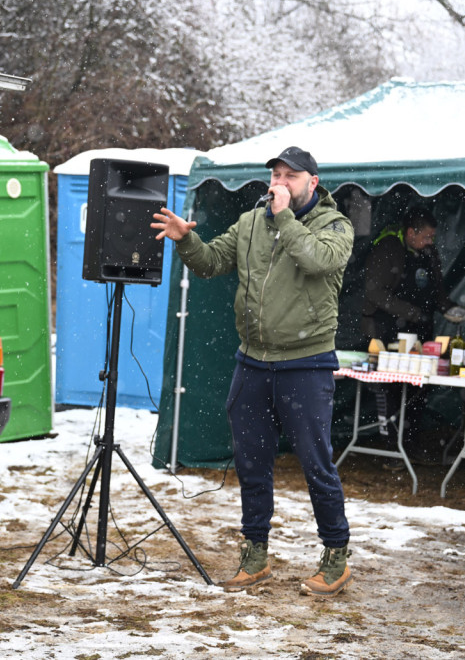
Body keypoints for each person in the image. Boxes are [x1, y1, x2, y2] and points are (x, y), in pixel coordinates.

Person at [151, 147, 354, 597]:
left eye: (290, 176)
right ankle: (255, 552)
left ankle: (336, 555)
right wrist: (186, 239)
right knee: (251, 461)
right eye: (275, 174)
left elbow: (317, 260)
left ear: (312, 183)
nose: (279, 182)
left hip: (306, 361)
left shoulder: (336, 226)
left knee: (315, 463)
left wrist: (284, 218)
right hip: (253, 361)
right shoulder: (250, 222)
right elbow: (210, 263)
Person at [359, 206, 458, 461]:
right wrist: (410, 312)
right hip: (388, 329)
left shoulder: (428, 252)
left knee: (419, 386)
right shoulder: (388, 248)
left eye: (432, 237)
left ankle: (411, 441)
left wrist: (449, 308)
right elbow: (374, 292)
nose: (430, 241)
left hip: (421, 328)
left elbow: (436, 288)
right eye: (426, 236)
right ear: (411, 232)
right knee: (393, 388)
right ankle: (392, 447)